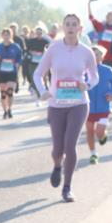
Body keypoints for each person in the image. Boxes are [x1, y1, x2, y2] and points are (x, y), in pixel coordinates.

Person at [33, 13, 99, 202]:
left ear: (80, 28)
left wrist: (88, 84)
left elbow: (94, 76)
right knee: (57, 149)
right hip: (56, 104)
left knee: (70, 145)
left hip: (78, 104)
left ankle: (67, 187)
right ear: (63, 27)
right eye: (67, 24)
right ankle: (57, 165)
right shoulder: (53, 50)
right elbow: (38, 74)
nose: (70, 27)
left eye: (74, 24)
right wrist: (43, 91)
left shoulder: (87, 52)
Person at [86, 46, 112, 164]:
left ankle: (103, 136)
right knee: (89, 131)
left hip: (103, 106)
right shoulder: (85, 71)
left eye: (97, 54)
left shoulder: (107, 70)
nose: (95, 57)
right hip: (88, 106)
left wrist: (111, 92)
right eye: (92, 55)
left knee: (98, 133)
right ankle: (93, 153)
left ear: (102, 56)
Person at [0, 28, 23, 119]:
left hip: (12, 71)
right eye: (4, 35)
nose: (6, 36)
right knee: (3, 93)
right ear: (2, 36)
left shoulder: (16, 47)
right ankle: (5, 111)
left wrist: (18, 63)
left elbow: (20, 57)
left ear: (11, 35)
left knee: (10, 91)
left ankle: (9, 109)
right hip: (1, 72)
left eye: (8, 34)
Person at [87, 0, 112, 67]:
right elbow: (91, 17)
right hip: (101, 57)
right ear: (106, 17)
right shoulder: (100, 27)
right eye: (108, 16)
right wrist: (89, 4)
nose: (110, 17)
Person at [26, 25, 51, 99]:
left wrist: (44, 53)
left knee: (43, 76)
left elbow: (49, 51)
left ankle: (44, 88)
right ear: (35, 33)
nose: (39, 34)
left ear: (42, 33)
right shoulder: (31, 41)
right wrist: (31, 53)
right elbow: (27, 50)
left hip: (42, 62)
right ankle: (36, 90)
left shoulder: (46, 41)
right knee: (34, 76)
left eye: (40, 33)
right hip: (33, 62)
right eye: (37, 33)